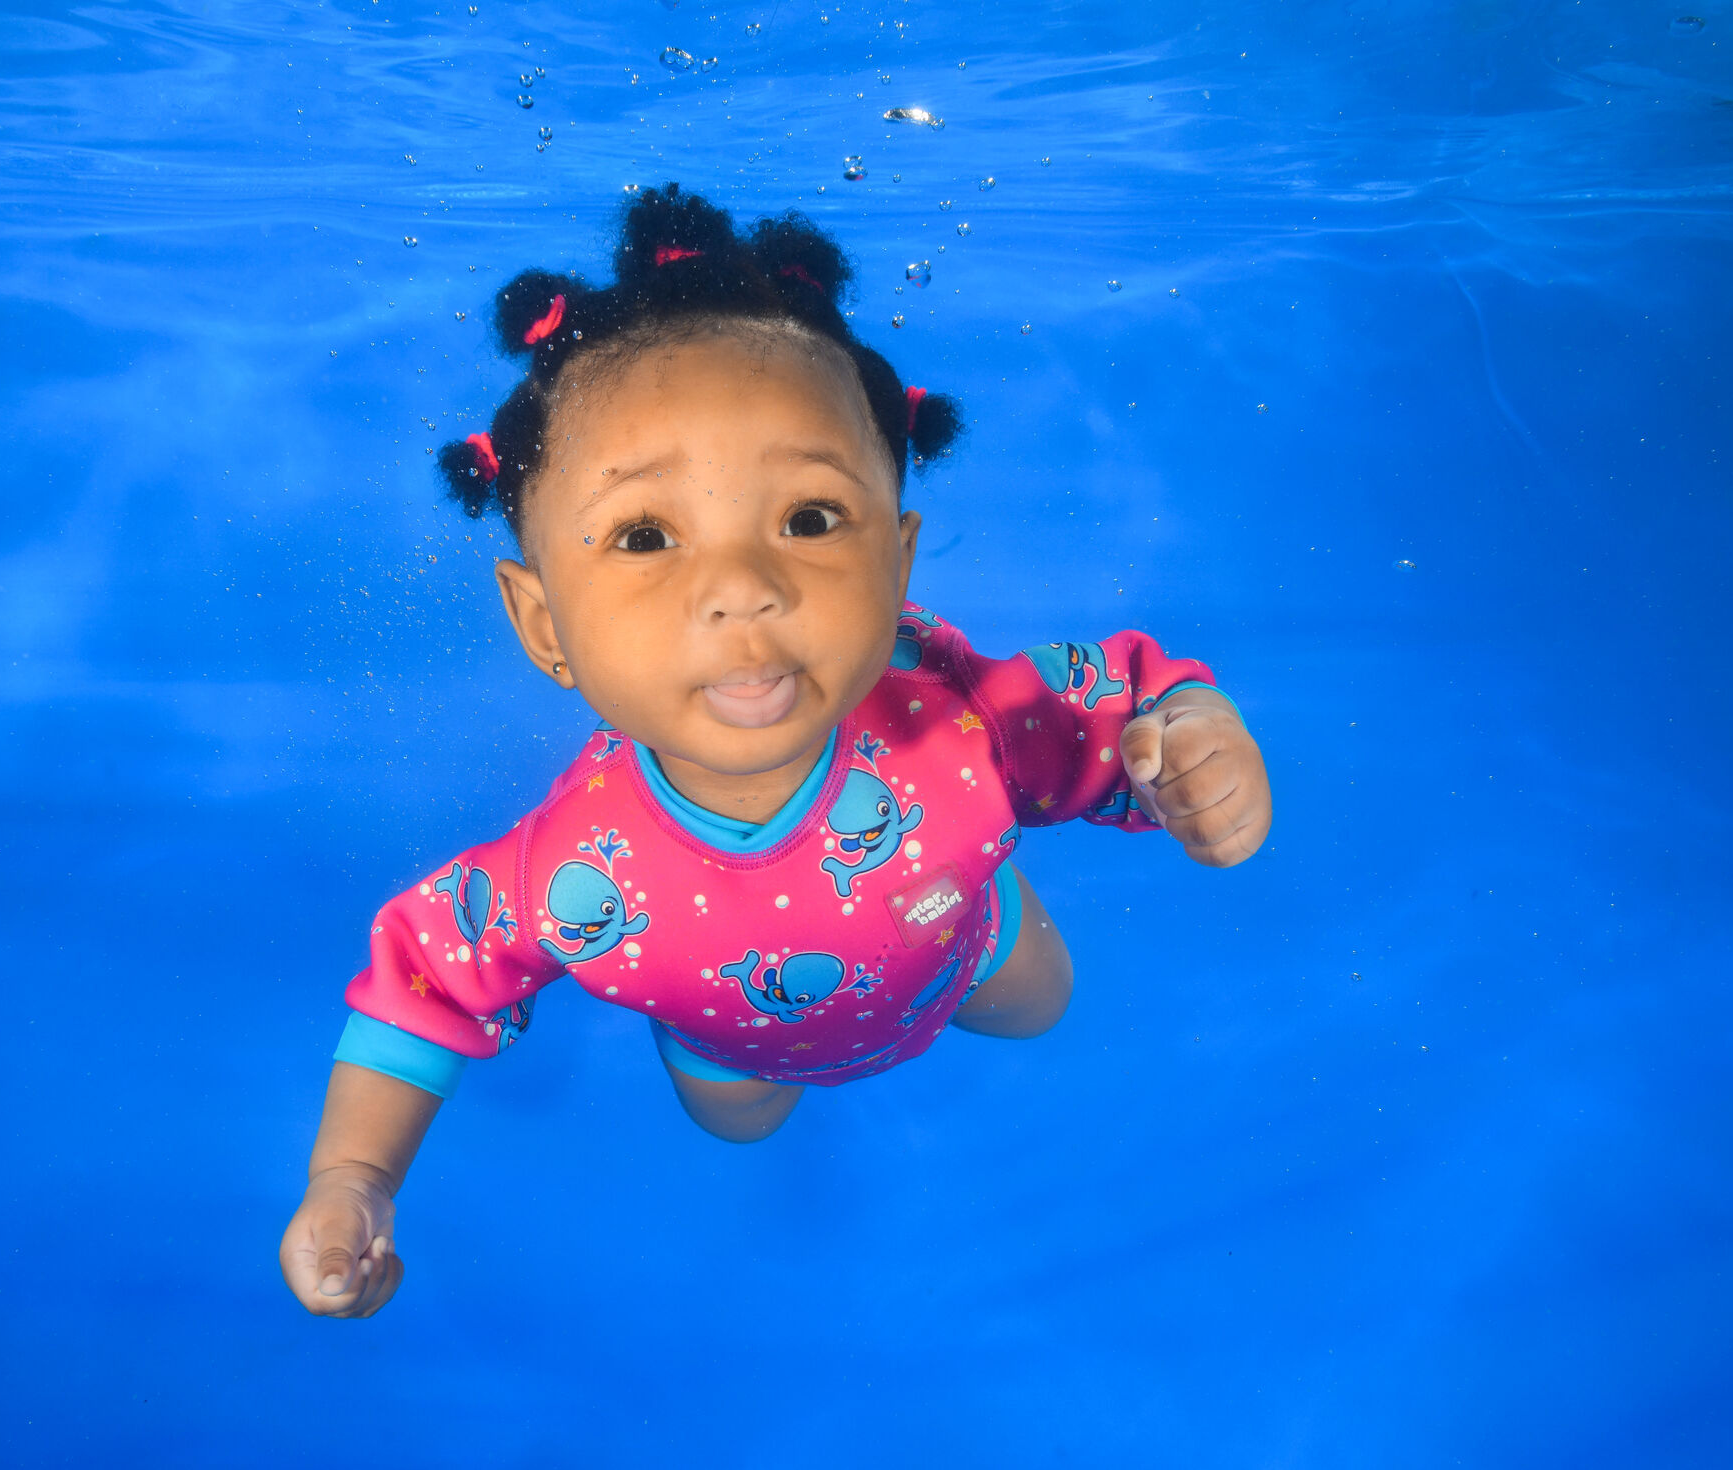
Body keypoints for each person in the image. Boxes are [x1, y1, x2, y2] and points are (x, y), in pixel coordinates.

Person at [280, 184, 1271, 1318]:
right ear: (545, 621)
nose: (744, 589)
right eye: (647, 536)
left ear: (898, 563)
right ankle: (759, 1029)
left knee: (1044, 1000)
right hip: (731, 1039)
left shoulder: (964, 731)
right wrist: (354, 1177)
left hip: (961, 946)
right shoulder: (571, 880)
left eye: (807, 518)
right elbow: (420, 985)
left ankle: (980, 888)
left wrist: (1192, 749)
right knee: (740, 1119)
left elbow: (1133, 704)